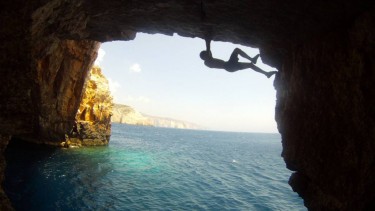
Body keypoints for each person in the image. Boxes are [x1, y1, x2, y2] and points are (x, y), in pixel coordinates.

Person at [200, 38, 277, 78]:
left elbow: (208, 51)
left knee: (250, 65)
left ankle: (266, 73)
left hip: (230, 65)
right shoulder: (207, 63)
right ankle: (253, 60)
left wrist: (208, 41)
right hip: (229, 65)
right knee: (236, 50)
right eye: (206, 54)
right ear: (204, 57)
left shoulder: (209, 59)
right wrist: (207, 41)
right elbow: (208, 50)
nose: (208, 54)